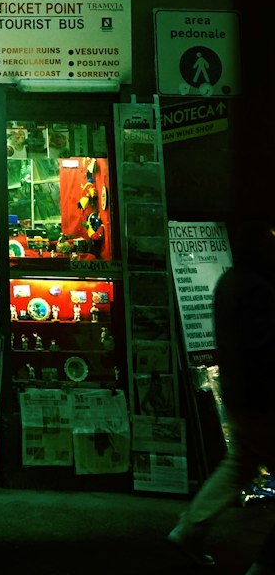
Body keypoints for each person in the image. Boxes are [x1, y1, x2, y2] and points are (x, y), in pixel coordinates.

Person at [167, 220, 275, 573]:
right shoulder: (259, 287)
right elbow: (264, 348)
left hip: (240, 393)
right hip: (264, 398)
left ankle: (191, 528)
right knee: (239, 464)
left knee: (239, 464)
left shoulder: (230, 282)